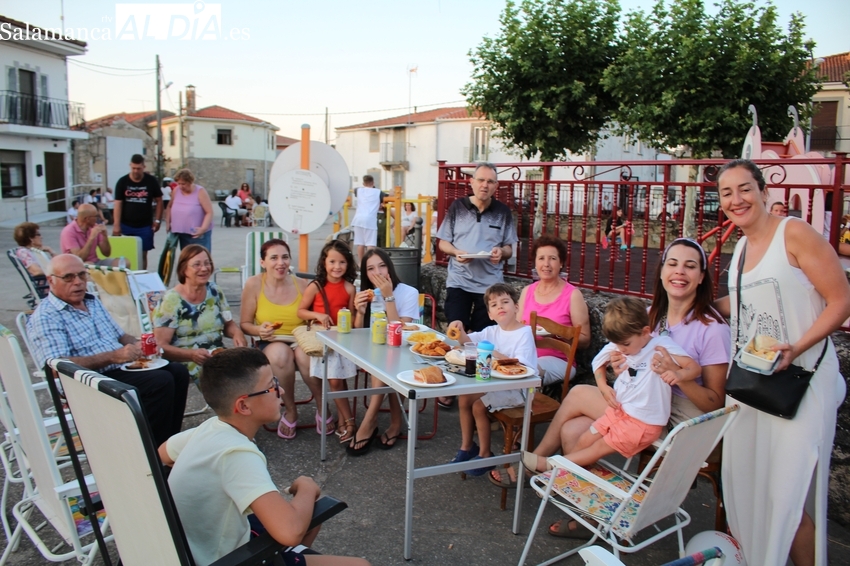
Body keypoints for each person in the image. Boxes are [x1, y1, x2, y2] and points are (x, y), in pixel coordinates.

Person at [713, 159, 850, 566]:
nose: (736, 200)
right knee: (749, 485)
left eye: (744, 189)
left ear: (762, 191)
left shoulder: (794, 232)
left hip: (802, 381)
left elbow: (841, 300)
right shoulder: (739, 248)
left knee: (785, 495)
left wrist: (797, 345)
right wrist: (688, 304)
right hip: (755, 382)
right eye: (726, 193)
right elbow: (740, 307)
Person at [157, 348, 370, 566]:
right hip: (226, 559)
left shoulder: (209, 428)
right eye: (272, 387)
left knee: (310, 521)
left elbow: (162, 453)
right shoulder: (236, 453)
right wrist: (306, 486)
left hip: (187, 549)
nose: (283, 391)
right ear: (243, 405)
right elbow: (289, 532)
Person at [28, 254, 190, 446]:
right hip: (86, 383)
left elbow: (121, 337)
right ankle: (149, 453)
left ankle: (166, 445)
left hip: (118, 369)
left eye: (82, 275)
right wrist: (113, 356)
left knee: (178, 371)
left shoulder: (91, 301)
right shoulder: (47, 316)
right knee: (160, 382)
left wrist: (140, 344)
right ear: (51, 280)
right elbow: (56, 368)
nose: (78, 282)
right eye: (69, 277)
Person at [488, 236, 591, 487]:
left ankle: (519, 445)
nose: (546, 264)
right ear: (535, 262)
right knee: (491, 366)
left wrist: (554, 334)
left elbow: (585, 339)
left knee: (525, 374)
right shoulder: (527, 291)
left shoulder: (572, 295)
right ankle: (504, 422)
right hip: (524, 354)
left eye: (552, 259)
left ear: (561, 263)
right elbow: (517, 326)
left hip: (556, 360)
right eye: (541, 258)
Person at [436, 162, 518, 408]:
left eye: (490, 181)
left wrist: (499, 252)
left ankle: (476, 391)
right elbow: (442, 243)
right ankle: (449, 383)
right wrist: (456, 252)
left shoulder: (503, 212)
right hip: (459, 282)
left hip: (490, 288)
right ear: (471, 182)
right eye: (481, 180)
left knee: (483, 343)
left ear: (496, 186)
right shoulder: (457, 207)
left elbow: (509, 248)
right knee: (455, 331)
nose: (485, 185)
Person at [445, 283, 538, 476]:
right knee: (464, 397)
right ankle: (467, 446)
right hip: (495, 384)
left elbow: (523, 368)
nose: (500, 307)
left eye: (505, 302)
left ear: (516, 307)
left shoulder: (524, 333)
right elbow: (468, 341)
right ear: (490, 314)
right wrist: (459, 328)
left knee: (478, 405)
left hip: (519, 389)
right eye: (494, 305)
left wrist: (492, 352)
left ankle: (485, 454)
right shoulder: (491, 331)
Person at [240, 238, 324, 440]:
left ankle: (322, 407)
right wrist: (259, 330)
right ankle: (290, 409)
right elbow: (245, 323)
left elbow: (315, 317)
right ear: (263, 262)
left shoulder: (303, 285)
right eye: (274, 258)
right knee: (279, 355)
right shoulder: (254, 284)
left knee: (305, 355)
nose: (281, 263)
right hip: (270, 339)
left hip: (300, 338)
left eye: (285, 257)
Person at [345, 249, 420, 456]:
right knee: (383, 359)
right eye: (370, 269)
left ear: (390, 267)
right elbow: (359, 334)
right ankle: (393, 422)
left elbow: (400, 331)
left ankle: (370, 420)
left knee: (387, 361)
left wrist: (389, 297)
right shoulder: (367, 293)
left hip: (403, 350)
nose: (377, 272)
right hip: (373, 350)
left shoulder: (408, 292)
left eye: (381, 266)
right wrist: (359, 312)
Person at [153, 245, 247, 385]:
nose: (204, 268)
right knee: (230, 382)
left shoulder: (214, 290)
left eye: (207, 263)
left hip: (217, 354)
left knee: (250, 371)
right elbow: (161, 346)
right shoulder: (171, 300)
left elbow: (228, 324)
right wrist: (191, 355)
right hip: (187, 359)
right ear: (184, 268)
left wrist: (237, 333)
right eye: (197, 264)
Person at [297, 240, 358, 442]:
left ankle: (344, 420)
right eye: (332, 261)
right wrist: (318, 315)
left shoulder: (349, 288)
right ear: (324, 262)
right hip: (321, 339)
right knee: (334, 379)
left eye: (342, 262)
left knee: (337, 379)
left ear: (348, 264)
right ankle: (349, 421)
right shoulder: (316, 286)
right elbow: (301, 311)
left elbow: (352, 316)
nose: (337, 267)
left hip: (342, 339)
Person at [112, 154, 164, 270]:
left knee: (142, 254)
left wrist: (157, 220)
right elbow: (118, 203)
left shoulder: (151, 181)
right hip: (126, 224)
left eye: (138, 168)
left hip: (144, 226)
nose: (136, 171)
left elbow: (159, 200)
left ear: (143, 167)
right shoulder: (122, 182)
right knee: (123, 254)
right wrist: (116, 225)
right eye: (133, 168)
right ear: (130, 166)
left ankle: (141, 276)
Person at [166, 168, 214, 251]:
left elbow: (209, 212)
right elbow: (169, 206)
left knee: (200, 258)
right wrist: (168, 222)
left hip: (197, 234)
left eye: (183, 184)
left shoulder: (200, 191)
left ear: (190, 182)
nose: (181, 186)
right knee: (186, 260)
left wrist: (203, 228)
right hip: (181, 233)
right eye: (179, 183)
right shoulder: (176, 190)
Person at [350, 175, 383, 262]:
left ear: (363, 183)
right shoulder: (378, 192)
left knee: (360, 243)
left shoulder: (359, 190)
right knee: (370, 244)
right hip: (370, 220)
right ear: (373, 183)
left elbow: (354, 189)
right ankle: (369, 263)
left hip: (358, 219)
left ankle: (360, 263)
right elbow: (387, 196)